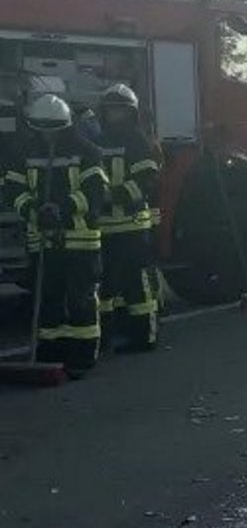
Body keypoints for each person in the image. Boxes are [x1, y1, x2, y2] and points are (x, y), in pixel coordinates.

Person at [2, 94, 108, 377]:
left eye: (54, 130)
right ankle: (50, 352)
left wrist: (63, 208)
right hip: (43, 240)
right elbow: (13, 190)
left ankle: (83, 356)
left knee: (79, 299)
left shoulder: (87, 152)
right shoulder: (24, 154)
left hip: (80, 241)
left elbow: (96, 192)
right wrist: (35, 210)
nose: (48, 136)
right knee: (48, 297)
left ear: (65, 126)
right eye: (42, 129)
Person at [94, 84, 161, 352]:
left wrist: (114, 196)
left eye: (120, 112)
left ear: (130, 114)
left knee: (138, 286)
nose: (115, 117)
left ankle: (145, 336)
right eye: (110, 112)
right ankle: (108, 335)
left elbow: (147, 182)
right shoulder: (97, 141)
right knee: (106, 287)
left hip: (132, 226)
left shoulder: (137, 141)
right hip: (104, 228)